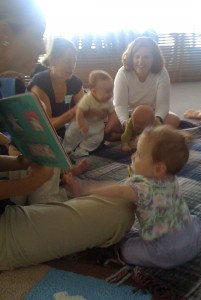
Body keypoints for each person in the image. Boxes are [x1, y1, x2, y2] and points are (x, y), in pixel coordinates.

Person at [0, 0, 134, 271]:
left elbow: (85, 110)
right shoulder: (38, 83)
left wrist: (18, 165)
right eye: (38, 35)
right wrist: (27, 183)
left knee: (50, 159)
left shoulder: (67, 83)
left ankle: (42, 200)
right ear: (5, 34)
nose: (41, 48)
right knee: (120, 211)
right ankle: (44, 202)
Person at [63, 125, 201, 268]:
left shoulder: (143, 188)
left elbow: (119, 190)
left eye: (139, 155)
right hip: (192, 237)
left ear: (159, 168)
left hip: (168, 250)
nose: (133, 156)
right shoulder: (170, 179)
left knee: (126, 249)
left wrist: (85, 188)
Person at [113, 36, 180, 131]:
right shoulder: (123, 72)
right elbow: (120, 105)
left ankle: (137, 136)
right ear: (131, 57)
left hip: (150, 115)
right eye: (137, 57)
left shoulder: (162, 72)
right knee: (110, 124)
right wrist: (126, 124)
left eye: (146, 57)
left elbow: (163, 105)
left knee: (174, 120)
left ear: (154, 58)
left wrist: (157, 121)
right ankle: (144, 134)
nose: (141, 62)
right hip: (128, 114)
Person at [27, 37, 84, 140]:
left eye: (74, 62)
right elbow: (46, 125)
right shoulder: (41, 83)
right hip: (39, 134)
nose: (72, 66)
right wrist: (73, 113)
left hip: (65, 130)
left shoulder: (75, 82)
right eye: (67, 61)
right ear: (53, 61)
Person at [63, 70, 117, 158]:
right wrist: (81, 124)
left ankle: (82, 150)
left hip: (97, 126)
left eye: (112, 90)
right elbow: (79, 111)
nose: (111, 94)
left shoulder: (108, 101)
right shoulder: (87, 99)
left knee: (97, 139)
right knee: (72, 134)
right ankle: (66, 148)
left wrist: (111, 123)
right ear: (94, 92)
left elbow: (112, 113)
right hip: (81, 123)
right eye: (107, 91)